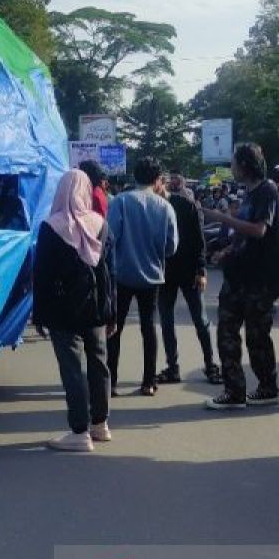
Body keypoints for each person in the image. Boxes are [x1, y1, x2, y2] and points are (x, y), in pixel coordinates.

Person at [33, 170, 116, 452]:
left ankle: (79, 430)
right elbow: (109, 273)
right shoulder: (101, 225)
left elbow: (42, 275)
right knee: (98, 363)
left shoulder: (51, 227)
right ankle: (100, 424)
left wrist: (40, 314)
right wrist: (111, 312)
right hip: (95, 307)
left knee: (73, 368)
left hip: (62, 309)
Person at [201, 144, 279, 410]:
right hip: (237, 276)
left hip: (260, 279)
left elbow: (259, 230)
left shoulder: (266, 191)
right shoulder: (248, 194)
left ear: (246, 165)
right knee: (227, 332)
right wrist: (226, 250)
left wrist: (220, 217)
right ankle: (234, 391)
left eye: (234, 163)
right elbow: (245, 238)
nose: (232, 168)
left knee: (257, 337)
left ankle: (267, 388)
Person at [106, 156, 178, 396]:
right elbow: (172, 247)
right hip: (152, 276)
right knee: (149, 327)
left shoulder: (120, 202)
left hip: (123, 274)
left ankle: (111, 381)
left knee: (115, 327)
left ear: (134, 176)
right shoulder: (165, 207)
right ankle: (148, 382)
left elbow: (110, 237)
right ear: (157, 180)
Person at [157, 172, 220, 385]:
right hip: (164, 274)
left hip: (189, 271)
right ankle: (172, 367)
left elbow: (199, 240)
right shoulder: (152, 207)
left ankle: (211, 365)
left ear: (161, 182)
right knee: (166, 321)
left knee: (200, 320)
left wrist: (201, 270)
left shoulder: (186, 205)